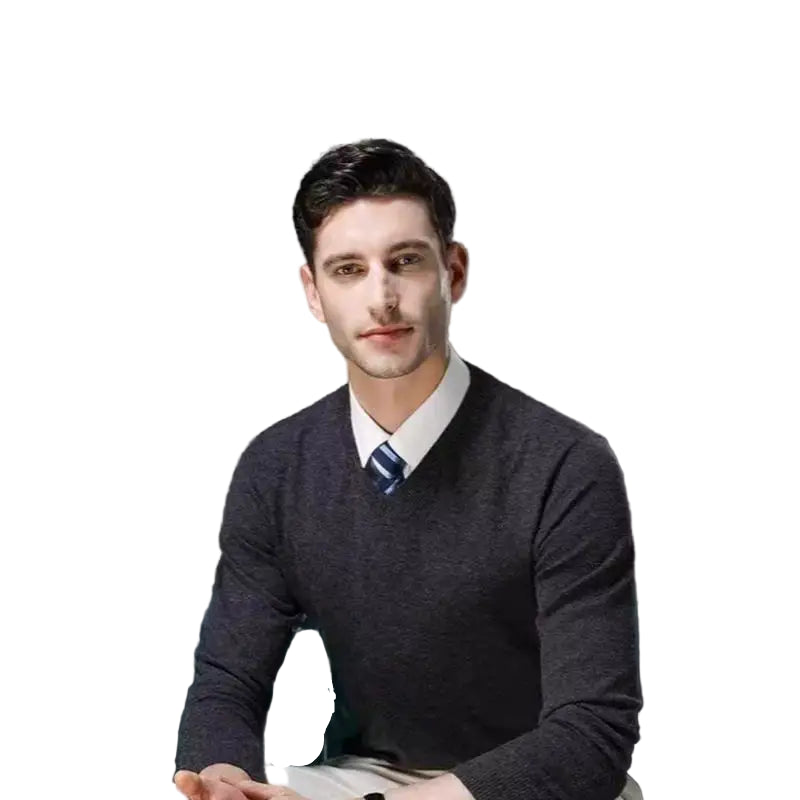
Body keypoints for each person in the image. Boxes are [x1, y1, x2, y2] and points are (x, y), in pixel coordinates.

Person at [172, 138, 644, 800]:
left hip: (535, 787)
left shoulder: (565, 466)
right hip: (361, 779)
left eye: (405, 262)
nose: (382, 298)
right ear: (313, 292)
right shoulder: (276, 469)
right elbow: (229, 680)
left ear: (453, 271)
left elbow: (593, 733)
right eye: (347, 270)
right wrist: (225, 779)